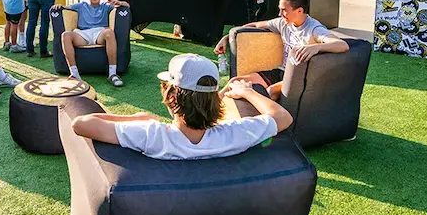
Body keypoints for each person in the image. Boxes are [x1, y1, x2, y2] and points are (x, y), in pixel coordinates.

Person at [71, 54, 293, 160]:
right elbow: (283, 117)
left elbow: (81, 124)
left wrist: (138, 117)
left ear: (172, 96)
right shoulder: (236, 135)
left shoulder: (151, 135)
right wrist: (247, 92)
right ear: (216, 100)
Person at [214, 0, 349, 100]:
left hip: (299, 77)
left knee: (270, 91)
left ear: (300, 11)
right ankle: (213, 110)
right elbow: (253, 25)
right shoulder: (282, 22)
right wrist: (228, 37)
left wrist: (315, 47)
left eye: (284, 10)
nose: (280, 14)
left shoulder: (314, 28)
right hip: (281, 71)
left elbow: (342, 45)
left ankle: (258, 126)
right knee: (235, 81)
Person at [52, 0, 130, 87]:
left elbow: (127, 6)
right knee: (66, 35)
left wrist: (119, 2)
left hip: (99, 33)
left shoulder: (106, 6)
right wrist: (58, 6)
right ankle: (74, 74)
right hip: (83, 34)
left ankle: (112, 73)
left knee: (109, 33)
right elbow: (65, 7)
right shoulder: (82, 5)